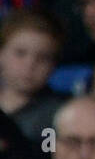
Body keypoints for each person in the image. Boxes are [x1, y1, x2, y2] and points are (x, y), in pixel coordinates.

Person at [0, 8, 63, 144]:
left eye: (43, 58)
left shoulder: (58, 117)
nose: (30, 65)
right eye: (20, 53)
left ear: (54, 65)